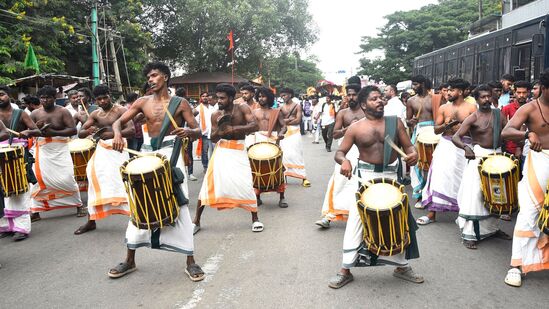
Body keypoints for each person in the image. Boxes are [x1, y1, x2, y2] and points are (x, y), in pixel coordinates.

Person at [110, 62, 204, 281]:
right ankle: (130, 259)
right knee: (140, 201)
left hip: (172, 154)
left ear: (166, 76)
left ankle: (190, 260)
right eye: (148, 77)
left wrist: (189, 131)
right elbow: (118, 123)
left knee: (179, 203)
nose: (150, 79)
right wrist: (117, 135)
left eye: (154, 75)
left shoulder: (180, 104)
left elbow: (198, 131)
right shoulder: (142, 102)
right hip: (147, 154)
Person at [328, 85, 422, 289]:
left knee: (397, 220)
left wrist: (414, 154)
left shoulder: (395, 123)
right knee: (356, 221)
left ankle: (402, 266)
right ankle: (345, 269)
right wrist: (344, 161)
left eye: (381, 98)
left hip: (391, 177)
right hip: (366, 178)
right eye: (374, 99)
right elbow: (340, 152)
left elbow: (409, 147)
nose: (380, 101)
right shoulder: (355, 128)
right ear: (364, 104)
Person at [193, 83, 263, 233]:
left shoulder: (242, 108)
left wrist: (234, 128)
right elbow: (212, 138)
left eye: (222, 98)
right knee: (208, 184)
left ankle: (255, 219)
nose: (218, 101)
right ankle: (196, 221)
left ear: (231, 98)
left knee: (245, 183)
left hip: (239, 149)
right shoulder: (215, 115)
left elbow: (255, 126)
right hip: (222, 151)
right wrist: (220, 129)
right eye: (217, 98)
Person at [501, 69, 549, 287]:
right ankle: (516, 266)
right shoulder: (529, 108)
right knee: (530, 212)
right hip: (538, 163)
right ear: (544, 88)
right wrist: (527, 134)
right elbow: (507, 131)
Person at [452, 84, 511, 249]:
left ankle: (493, 228)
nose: (486, 100)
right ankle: (470, 234)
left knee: (495, 194)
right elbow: (457, 137)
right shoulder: (473, 117)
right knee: (476, 195)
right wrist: (466, 147)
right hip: (479, 157)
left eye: (488, 96)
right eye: (482, 97)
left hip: (498, 156)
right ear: (477, 99)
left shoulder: (499, 114)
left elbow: (510, 130)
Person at [73, 85, 135, 235]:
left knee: (122, 183)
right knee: (93, 182)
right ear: (95, 100)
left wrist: (112, 135)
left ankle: (135, 219)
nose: (102, 101)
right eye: (99, 99)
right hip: (101, 151)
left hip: (118, 150)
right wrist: (87, 130)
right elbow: (81, 133)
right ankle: (91, 220)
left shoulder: (121, 110)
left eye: (104, 97)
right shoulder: (95, 114)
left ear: (110, 96)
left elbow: (131, 131)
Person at [417, 78, 477, 225]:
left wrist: (464, 126)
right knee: (439, 178)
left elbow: (476, 130)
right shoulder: (444, 108)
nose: (448, 93)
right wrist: (446, 125)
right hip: (445, 145)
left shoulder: (471, 107)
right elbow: (436, 130)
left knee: (464, 180)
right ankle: (432, 214)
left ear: (461, 92)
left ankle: (463, 214)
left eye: (452, 90)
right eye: (448, 90)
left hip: (464, 146)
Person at [29, 85, 82, 221]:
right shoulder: (35, 114)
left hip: (60, 149)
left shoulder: (63, 111)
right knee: (38, 180)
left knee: (67, 177)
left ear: (54, 98)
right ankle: (35, 211)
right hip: (42, 150)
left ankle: (78, 205)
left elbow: (72, 130)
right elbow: (28, 131)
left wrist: (54, 132)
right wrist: (37, 128)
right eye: (42, 98)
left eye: (48, 97)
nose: (44, 100)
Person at [315, 83, 363, 228]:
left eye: (354, 94)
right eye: (349, 94)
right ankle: (329, 216)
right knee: (339, 181)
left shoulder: (367, 112)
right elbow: (335, 134)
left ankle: (362, 216)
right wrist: (349, 129)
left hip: (364, 152)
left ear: (360, 95)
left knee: (360, 183)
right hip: (345, 152)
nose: (351, 97)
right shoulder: (343, 113)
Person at [0, 85, 39, 241]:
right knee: (2, 191)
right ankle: (5, 226)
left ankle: (21, 228)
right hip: (0, 154)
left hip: (17, 153)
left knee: (19, 189)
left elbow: (37, 131)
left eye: (2, 94)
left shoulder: (20, 113)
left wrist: (28, 132)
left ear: (9, 95)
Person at [251, 87, 288, 208]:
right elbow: (249, 127)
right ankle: (257, 197)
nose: (261, 98)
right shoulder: (254, 112)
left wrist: (281, 133)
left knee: (277, 167)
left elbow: (284, 126)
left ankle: (281, 197)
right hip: (258, 140)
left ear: (269, 97)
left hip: (273, 140)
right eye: (259, 96)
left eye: (264, 96)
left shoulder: (276, 112)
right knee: (257, 169)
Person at [406, 75, 439, 208]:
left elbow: (441, 117)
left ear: (423, 84)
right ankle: (419, 195)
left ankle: (434, 195)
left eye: (415, 84)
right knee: (418, 166)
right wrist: (410, 121)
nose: (413, 87)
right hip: (419, 133)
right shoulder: (411, 101)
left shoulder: (435, 99)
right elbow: (408, 121)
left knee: (435, 166)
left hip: (435, 133)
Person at [279, 87, 311, 187]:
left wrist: (287, 121)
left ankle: (304, 177)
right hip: (285, 133)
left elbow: (298, 120)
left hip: (295, 132)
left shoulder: (297, 106)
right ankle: (283, 177)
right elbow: (280, 121)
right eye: (282, 96)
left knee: (297, 154)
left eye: (284, 95)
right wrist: (287, 121)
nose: (283, 97)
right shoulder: (281, 107)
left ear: (290, 95)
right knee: (284, 155)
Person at [502, 81, 531, 162]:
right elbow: (504, 130)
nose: (521, 95)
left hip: (529, 149)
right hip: (510, 150)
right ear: (514, 92)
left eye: (524, 92)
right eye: (518, 92)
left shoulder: (533, 108)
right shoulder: (506, 109)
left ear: (528, 93)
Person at [175, 87, 197, 181]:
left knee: (186, 153)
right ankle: (187, 172)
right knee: (185, 153)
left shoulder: (186, 103)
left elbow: (196, 111)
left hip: (183, 132)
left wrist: (186, 115)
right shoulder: (175, 103)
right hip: (179, 133)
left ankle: (188, 173)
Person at [195, 91, 214, 171]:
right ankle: (205, 167)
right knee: (204, 152)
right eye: (203, 96)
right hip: (204, 134)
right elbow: (196, 122)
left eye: (206, 96)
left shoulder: (213, 108)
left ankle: (213, 166)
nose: (205, 97)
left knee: (213, 151)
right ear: (200, 98)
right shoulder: (198, 109)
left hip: (213, 133)